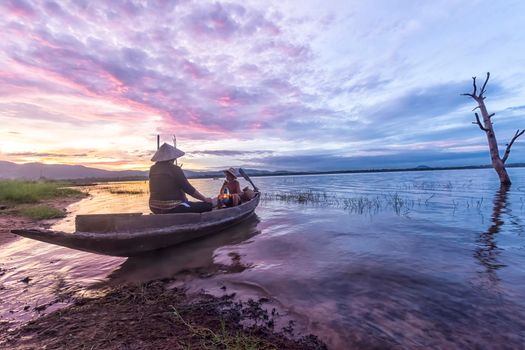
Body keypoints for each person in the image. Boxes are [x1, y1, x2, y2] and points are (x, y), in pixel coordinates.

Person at [149, 143, 213, 214]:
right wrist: (205, 199)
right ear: (173, 158)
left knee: (188, 203)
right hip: (174, 207)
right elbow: (188, 189)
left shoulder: (152, 169)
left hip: (154, 207)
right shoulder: (174, 168)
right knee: (208, 205)